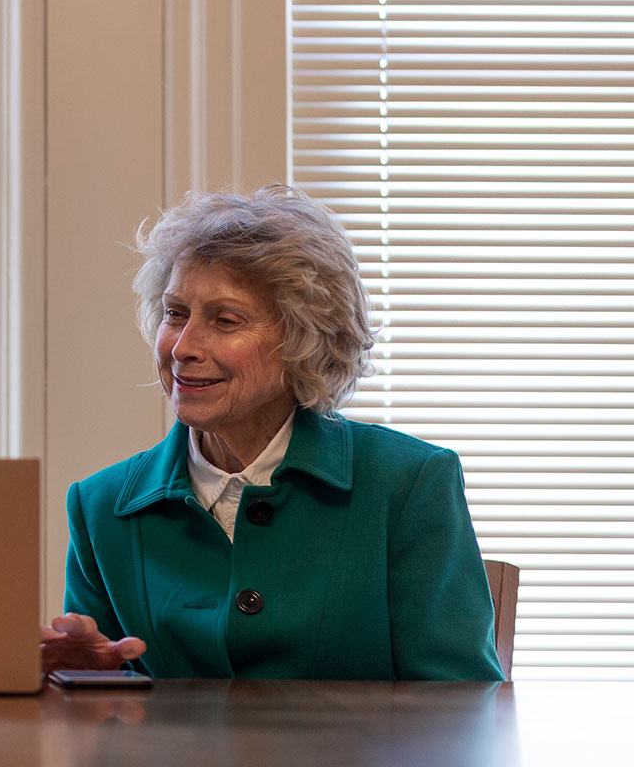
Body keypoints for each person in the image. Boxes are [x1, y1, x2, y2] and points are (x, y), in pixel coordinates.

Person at [40, 185, 503, 680]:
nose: (183, 347)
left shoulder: (408, 484)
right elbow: (102, 727)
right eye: (176, 313)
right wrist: (73, 680)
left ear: (304, 338)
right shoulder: (100, 507)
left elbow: (462, 710)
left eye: (225, 320)